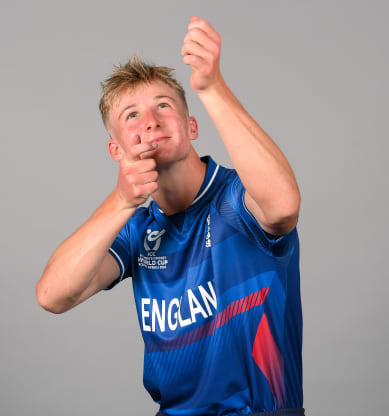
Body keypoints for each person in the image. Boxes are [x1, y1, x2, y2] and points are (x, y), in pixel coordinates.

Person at [36, 16, 304, 416]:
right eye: (131, 115)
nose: (150, 120)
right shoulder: (135, 230)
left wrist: (212, 87)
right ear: (116, 150)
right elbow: (53, 295)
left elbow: (283, 208)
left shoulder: (237, 197)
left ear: (190, 125)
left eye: (163, 105)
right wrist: (122, 200)